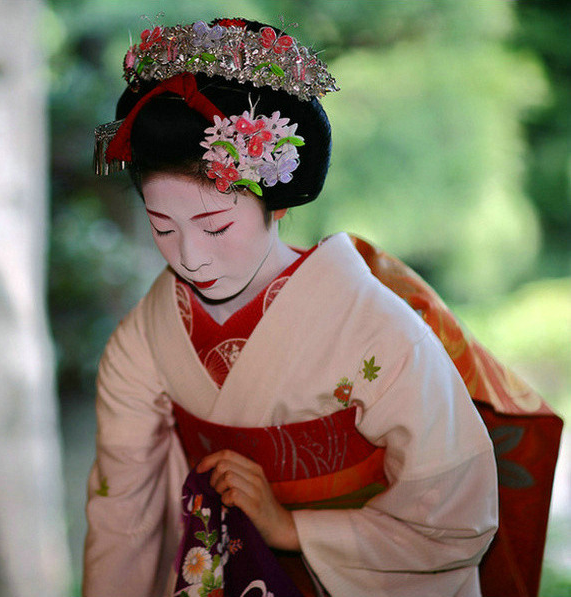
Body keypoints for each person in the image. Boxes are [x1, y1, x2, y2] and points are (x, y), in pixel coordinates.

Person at [85, 18, 499, 597]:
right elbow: (120, 516)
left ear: (276, 205)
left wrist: (293, 527)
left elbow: (456, 515)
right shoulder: (144, 341)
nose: (191, 257)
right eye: (163, 228)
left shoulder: (376, 329)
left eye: (215, 225)